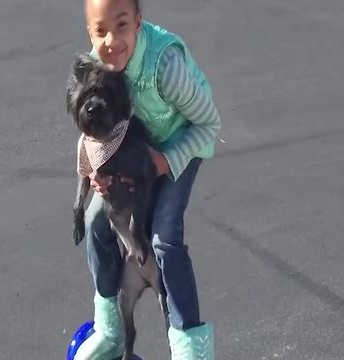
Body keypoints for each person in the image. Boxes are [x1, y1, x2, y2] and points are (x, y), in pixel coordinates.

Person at [74, 0, 221, 359]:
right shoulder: (95, 64)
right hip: (133, 148)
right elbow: (89, 129)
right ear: (90, 32)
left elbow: (209, 125)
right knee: (96, 219)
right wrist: (94, 168)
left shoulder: (165, 66)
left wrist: (165, 160)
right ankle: (110, 330)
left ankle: (191, 344)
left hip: (179, 144)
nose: (112, 41)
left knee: (163, 237)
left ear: (138, 23)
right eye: (101, 31)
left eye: (122, 26)